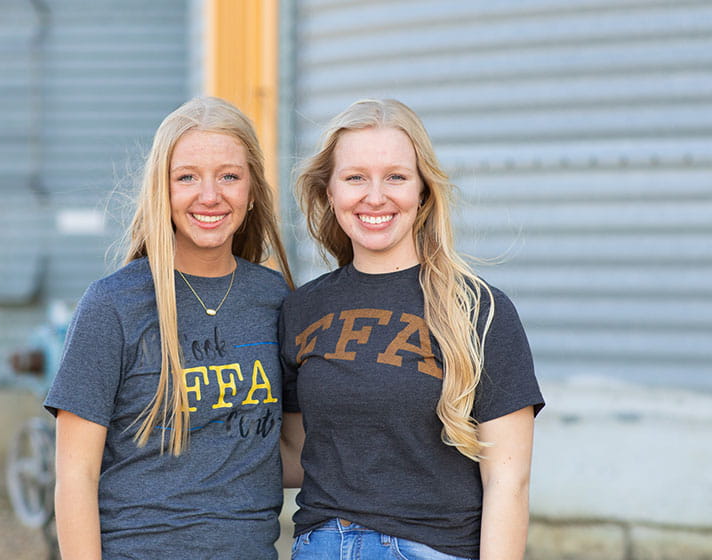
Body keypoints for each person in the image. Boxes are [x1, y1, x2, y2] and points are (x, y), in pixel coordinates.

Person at [279, 99, 544, 560]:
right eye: (355, 177)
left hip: (429, 549)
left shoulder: (479, 309)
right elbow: (300, 454)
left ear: (423, 191)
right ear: (329, 191)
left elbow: (508, 481)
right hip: (320, 545)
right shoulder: (302, 308)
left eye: (396, 177)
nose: (375, 196)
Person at [45, 96, 294, 560]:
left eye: (229, 176)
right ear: (162, 189)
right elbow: (76, 475)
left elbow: (289, 453)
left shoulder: (275, 299)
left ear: (252, 190)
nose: (209, 195)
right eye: (187, 177)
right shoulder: (113, 304)